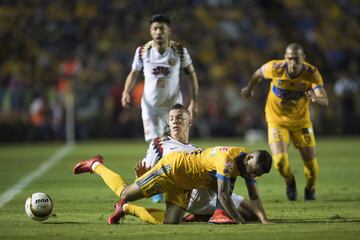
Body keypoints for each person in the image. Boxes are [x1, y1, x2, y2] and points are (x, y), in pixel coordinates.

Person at [73, 104, 267, 224]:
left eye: (180, 118)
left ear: (189, 122)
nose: (175, 122)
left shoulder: (195, 148)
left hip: (187, 188)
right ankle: (95, 165)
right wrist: (142, 178)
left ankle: (124, 208)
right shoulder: (160, 144)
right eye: (172, 119)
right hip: (169, 173)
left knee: (170, 222)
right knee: (125, 193)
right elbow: (146, 171)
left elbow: (212, 180)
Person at [241, 43, 329, 201]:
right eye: (289, 59)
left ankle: (310, 187)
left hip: (301, 122)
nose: (293, 63)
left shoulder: (311, 73)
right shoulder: (275, 67)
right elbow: (257, 74)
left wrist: (316, 97)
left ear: (304, 58)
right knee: (280, 162)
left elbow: (325, 100)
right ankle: (290, 181)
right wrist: (249, 89)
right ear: (285, 57)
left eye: (296, 59)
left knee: (311, 166)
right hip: (276, 121)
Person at [121, 13, 199, 142]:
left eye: (161, 28)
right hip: (151, 107)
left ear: (169, 30)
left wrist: (194, 102)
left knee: (177, 142)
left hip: (173, 106)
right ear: (150, 31)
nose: (158, 32)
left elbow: (192, 75)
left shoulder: (179, 50)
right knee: (156, 144)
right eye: (154, 28)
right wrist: (125, 92)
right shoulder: (142, 51)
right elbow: (133, 73)